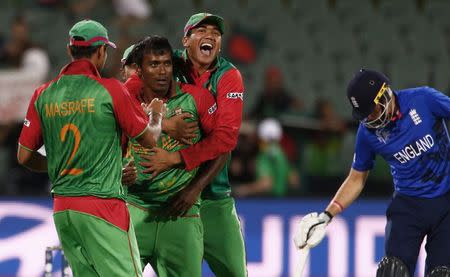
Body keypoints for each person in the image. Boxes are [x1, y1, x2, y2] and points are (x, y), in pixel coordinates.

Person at [16, 19, 164, 277]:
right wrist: (156, 116)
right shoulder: (111, 90)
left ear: (69, 50)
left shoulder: (44, 94)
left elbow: (24, 156)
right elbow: (150, 139)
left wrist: (55, 166)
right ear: (100, 52)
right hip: (103, 206)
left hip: (64, 210)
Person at [294, 69, 450, 277]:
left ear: (384, 94)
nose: (370, 118)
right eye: (365, 113)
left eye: (373, 110)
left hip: (446, 202)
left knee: (442, 273)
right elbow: (356, 178)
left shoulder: (423, 99)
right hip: (408, 206)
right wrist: (326, 215)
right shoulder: (367, 133)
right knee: (392, 271)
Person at [141, 13, 247, 277]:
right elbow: (131, 91)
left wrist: (188, 178)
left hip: (211, 195)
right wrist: (166, 125)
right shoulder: (169, 64)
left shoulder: (228, 76)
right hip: (162, 196)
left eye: (215, 32)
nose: (209, 35)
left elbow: (225, 140)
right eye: (200, 31)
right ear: (185, 40)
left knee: (235, 273)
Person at [123, 35, 218, 276]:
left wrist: (194, 190)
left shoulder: (197, 99)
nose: (162, 71)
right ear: (140, 71)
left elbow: (221, 148)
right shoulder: (125, 100)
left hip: (181, 214)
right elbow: (104, 145)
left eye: (166, 63)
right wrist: (117, 172)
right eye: (154, 64)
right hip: (134, 208)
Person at [234, 118, 292, 198]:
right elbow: (293, 179)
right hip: (282, 201)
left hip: (268, 202)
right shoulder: (281, 153)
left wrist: (245, 189)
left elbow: (266, 184)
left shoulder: (264, 156)